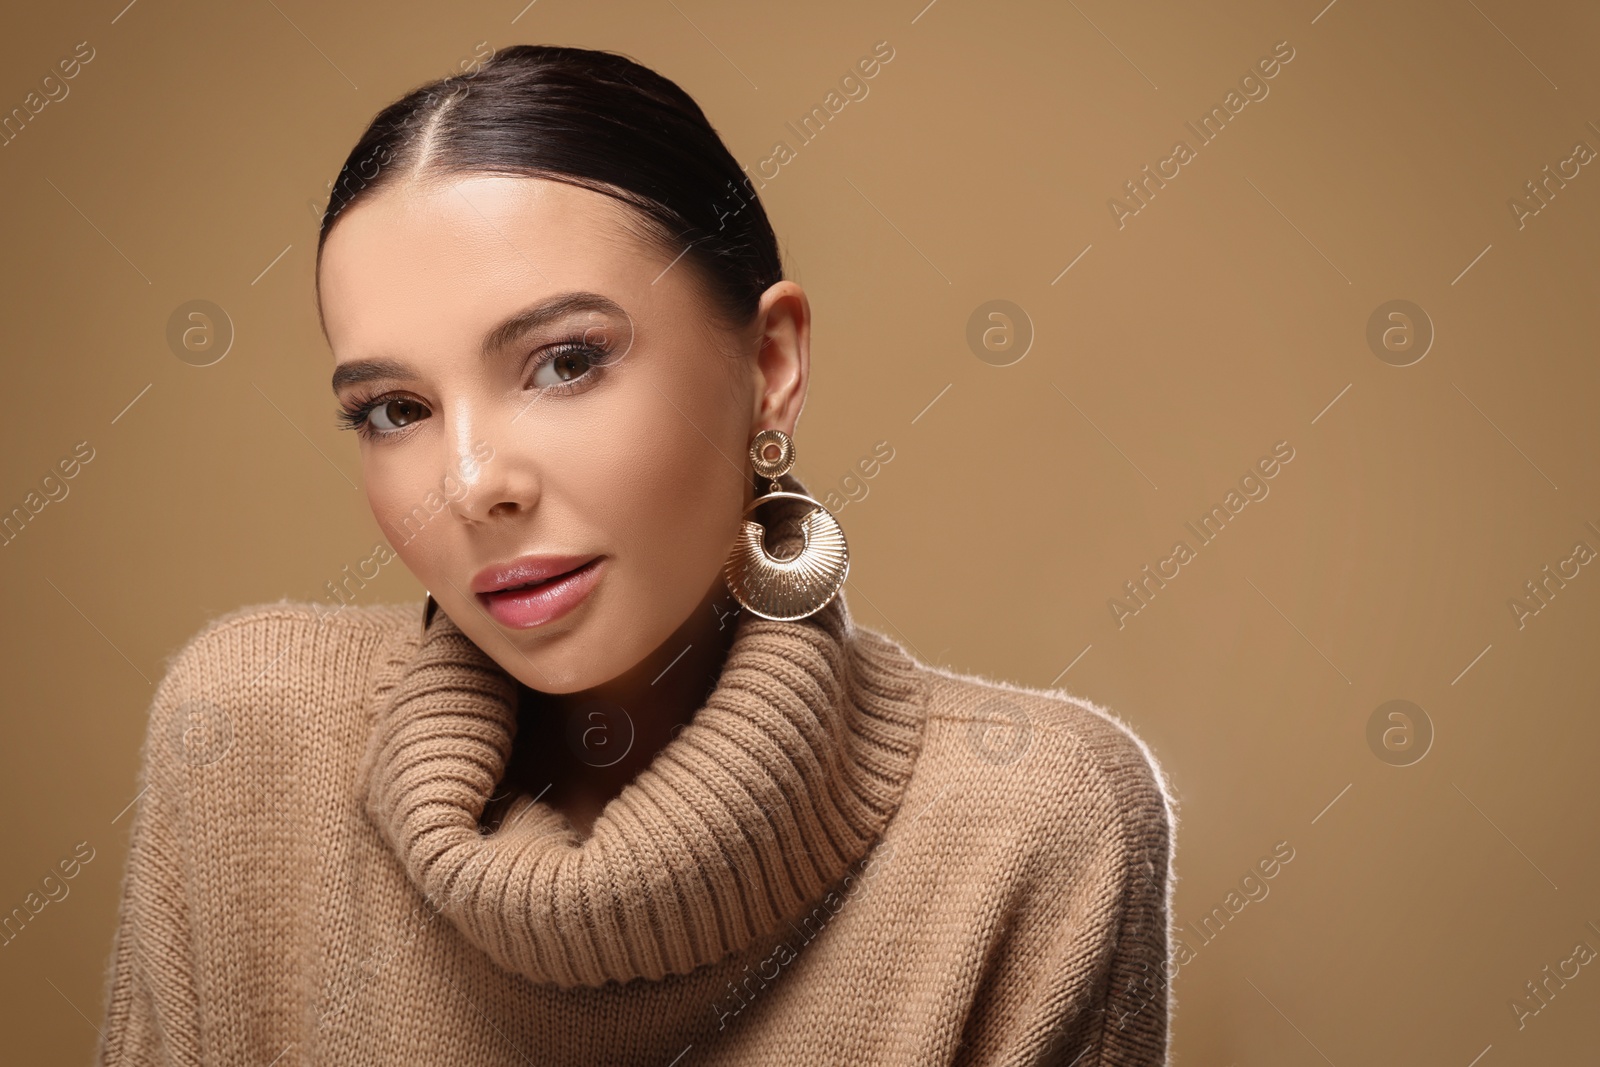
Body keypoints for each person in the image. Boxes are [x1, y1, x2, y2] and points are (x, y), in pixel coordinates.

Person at [97, 43, 1176, 1066]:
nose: (472, 484)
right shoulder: (246, 741)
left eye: (564, 362)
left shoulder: (1032, 826)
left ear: (770, 362)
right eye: (393, 409)